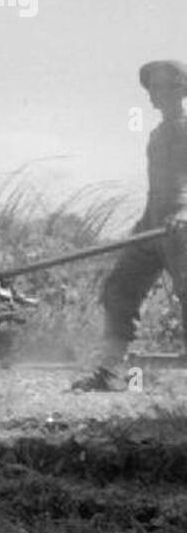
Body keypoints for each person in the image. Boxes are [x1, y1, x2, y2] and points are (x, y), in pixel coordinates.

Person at [73, 60, 187, 392]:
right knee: (120, 288)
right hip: (153, 223)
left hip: (182, 226)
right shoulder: (157, 134)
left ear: (179, 87)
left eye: (160, 86)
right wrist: (144, 223)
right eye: (149, 87)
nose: (152, 94)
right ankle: (110, 373)